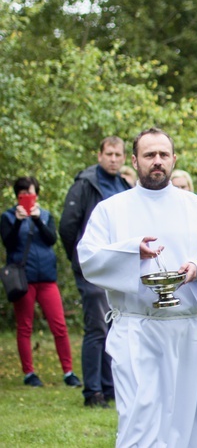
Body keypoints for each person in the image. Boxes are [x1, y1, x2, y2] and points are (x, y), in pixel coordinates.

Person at [76, 127, 197, 447]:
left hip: (190, 330)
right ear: (135, 161)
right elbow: (89, 257)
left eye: (163, 155)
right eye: (149, 155)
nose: (157, 161)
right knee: (141, 419)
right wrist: (131, 252)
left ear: (174, 159)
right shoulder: (112, 209)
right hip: (138, 329)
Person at [59, 135, 131, 408]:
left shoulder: (123, 185)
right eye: (109, 154)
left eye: (118, 154)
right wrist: (80, 261)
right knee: (96, 327)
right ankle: (93, 391)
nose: (113, 159)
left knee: (115, 326)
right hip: (93, 267)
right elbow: (67, 225)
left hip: (118, 268)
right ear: (99, 155)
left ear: (125, 158)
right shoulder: (85, 184)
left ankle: (109, 386)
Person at [1, 177, 82, 388]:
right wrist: (19, 220)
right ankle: (29, 373)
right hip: (23, 279)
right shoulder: (8, 217)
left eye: (32, 193)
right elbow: (8, 243)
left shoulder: (45, 215)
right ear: (18, 195)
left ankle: (69, 372)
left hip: (47, 278)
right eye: (25, 194)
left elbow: (51, 239)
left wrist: (36, 219)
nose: (29, 197)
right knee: (24, 327)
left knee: (59, 326)